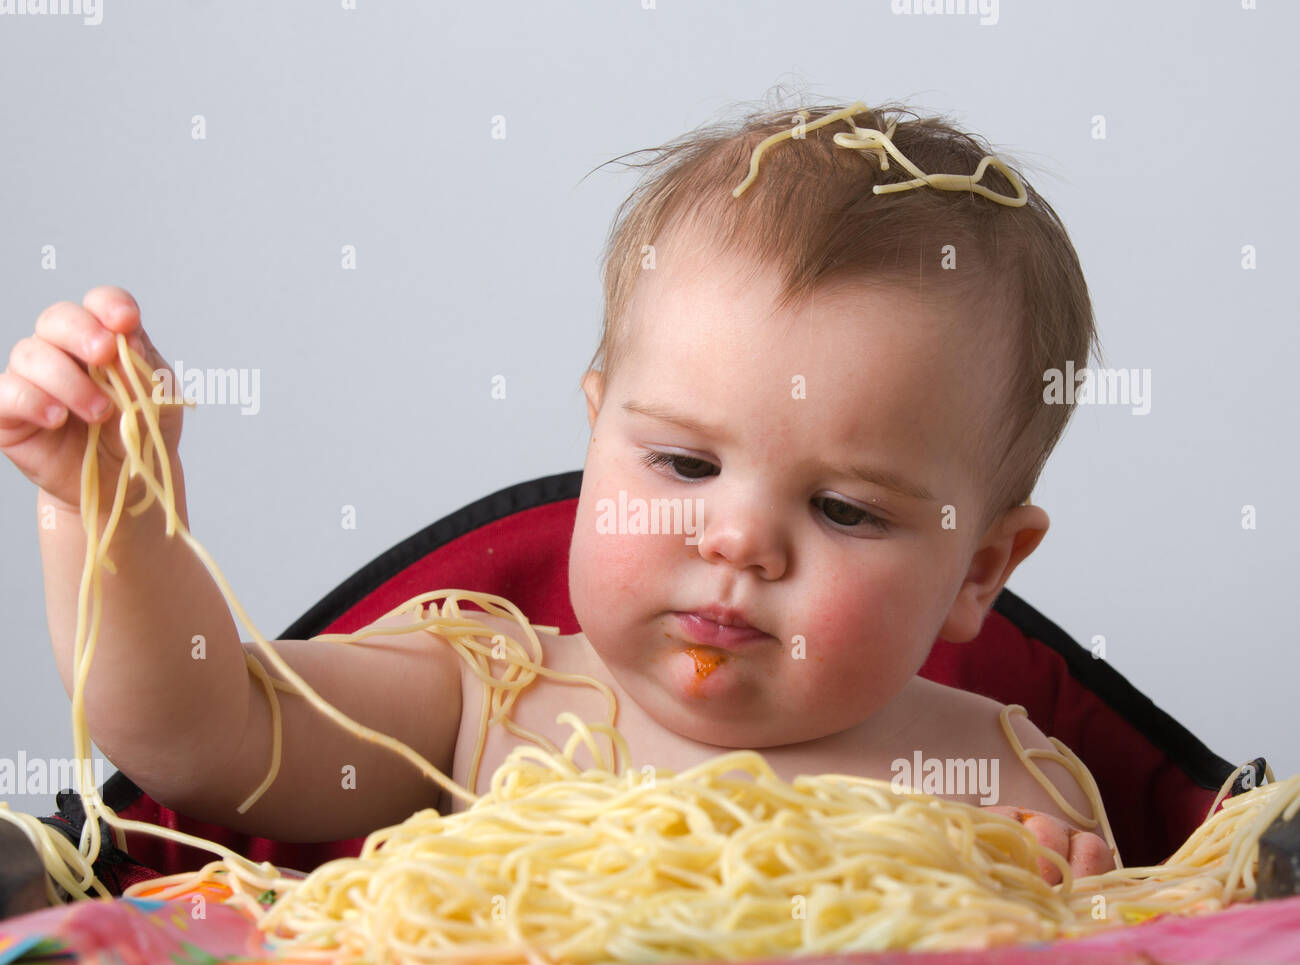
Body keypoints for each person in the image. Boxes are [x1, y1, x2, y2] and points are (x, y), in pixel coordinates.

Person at [0, 98, 1115, 887]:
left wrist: (1045, 895)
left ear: (978, 571)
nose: (736, 539)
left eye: (844, 510)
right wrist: (113, 517)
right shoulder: (481, 694)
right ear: (595, 438)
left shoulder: (997, 779)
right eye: (683, 463)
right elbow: (199, 733)